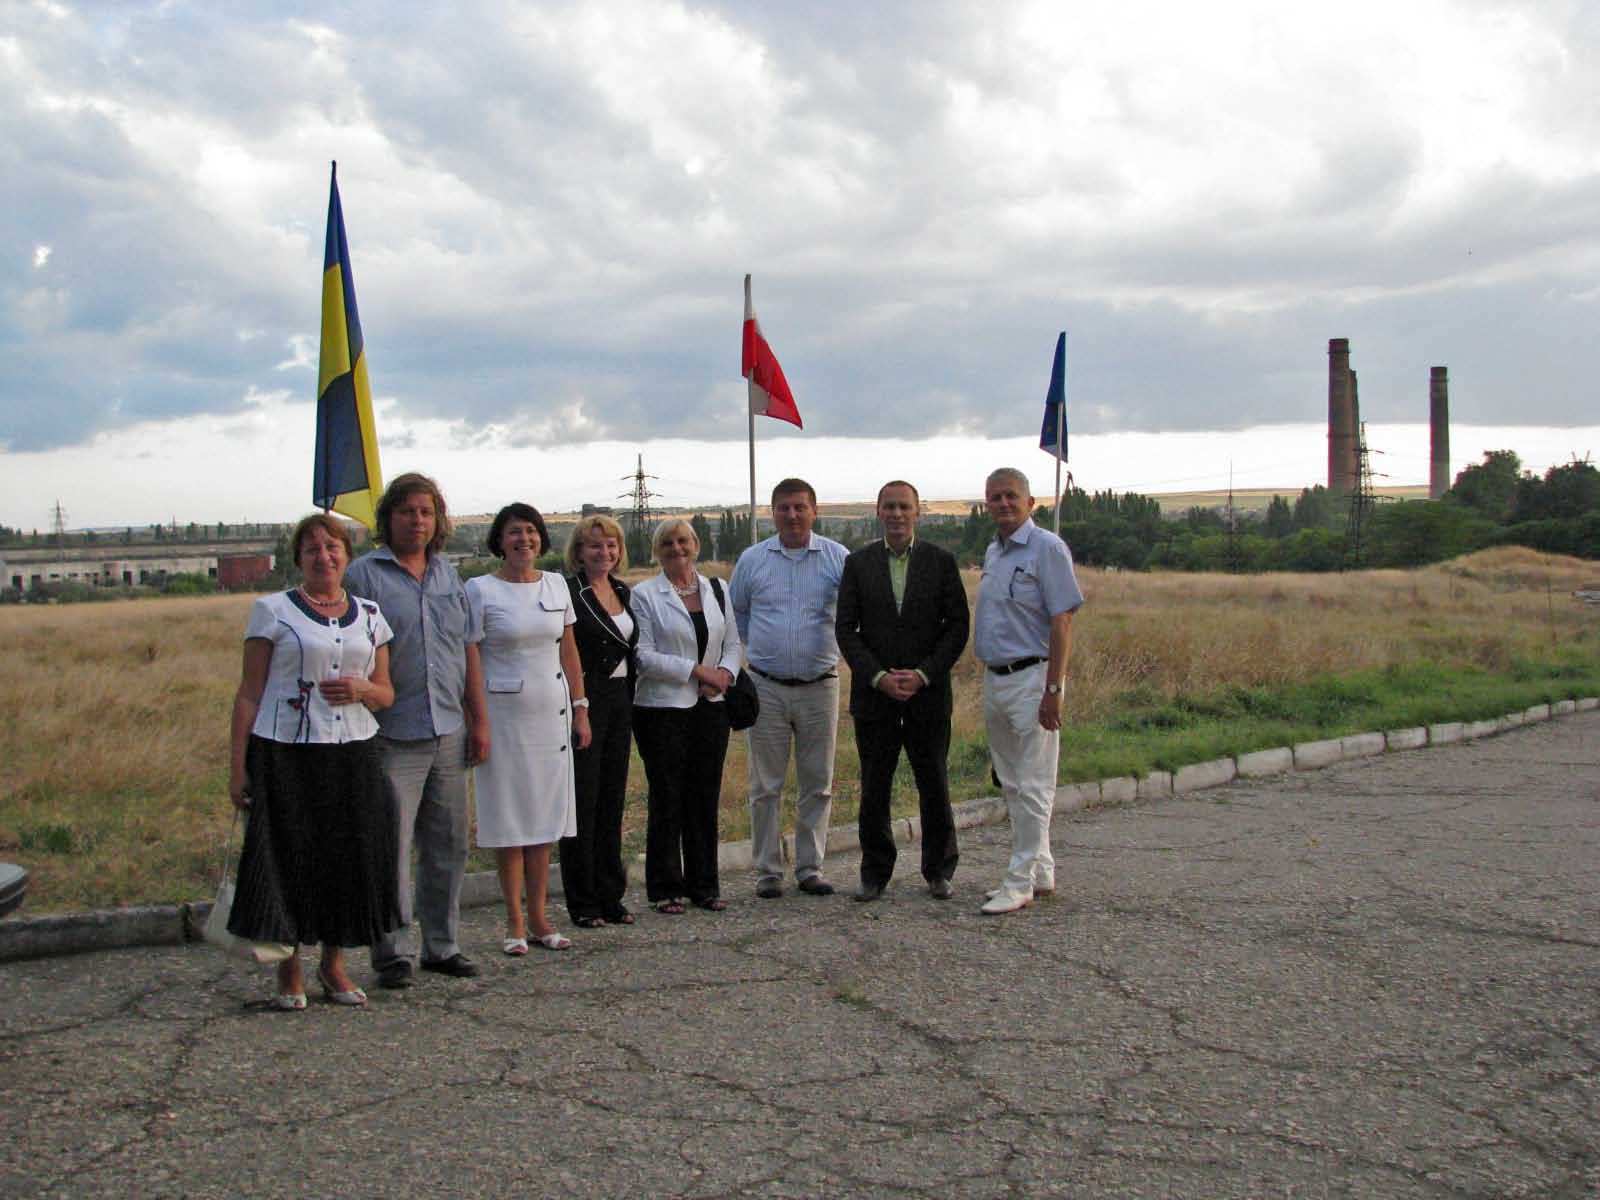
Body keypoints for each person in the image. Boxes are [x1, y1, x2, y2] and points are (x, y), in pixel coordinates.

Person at [226, 512, 400, 1009]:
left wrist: (364, 688)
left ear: (347, 554)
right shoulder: (272, 611)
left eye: (333, 547)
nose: (324, 557)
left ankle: (335, 964)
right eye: (312, 549)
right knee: (290, 857)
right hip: (287, 754)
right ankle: (289, 967)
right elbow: (248, 694)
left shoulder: (370, 616)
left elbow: (386, 693)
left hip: (354, 753)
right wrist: (238, 768)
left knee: (347, 857)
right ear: (297, 558)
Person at [345, 473, 489, 987]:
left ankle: (442, 946)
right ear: (388, 518)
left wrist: (480, 721)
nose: (418, 520)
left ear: (438, 520)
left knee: (447, 846)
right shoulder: (364, 576)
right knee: (391, 848)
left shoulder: (451, 577)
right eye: (407, 511)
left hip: (449, 729)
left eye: (426, 512)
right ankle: (392, 954)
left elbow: (469, 650)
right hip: (390, 734)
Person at [835, 480, 970, 902]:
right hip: (875, 697)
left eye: (903, 507)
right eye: (888, 507)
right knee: (874, 786)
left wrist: (923, 675)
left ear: (917, 512)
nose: (896, 514)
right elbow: (845, 629)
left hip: (927, 696)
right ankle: (874, 873)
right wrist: (878, 677)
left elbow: (958, 628)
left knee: (934, 784)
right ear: (877, 512)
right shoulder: (858, 564)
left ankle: (939, 870)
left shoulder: (941, 562)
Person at [467, 503, 591, 953]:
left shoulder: (557, 584)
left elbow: (570, 652)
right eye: (515, 533)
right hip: (503, 720)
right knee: (511, 820)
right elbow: (471, 656)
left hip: (551, 718)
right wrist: (477, 719)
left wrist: (581, 708)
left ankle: (540, 918)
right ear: (500, 540)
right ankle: (514, 922)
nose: (525, 540)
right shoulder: (479, 590)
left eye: (532, 532)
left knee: (543, 820)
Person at [728, 478, 848, 898]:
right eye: (783, 508)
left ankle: (810, 867)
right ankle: (767, 872)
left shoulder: (837, 559)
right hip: (767, 687)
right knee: (765, 786)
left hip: (820, 686)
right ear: (772, 512)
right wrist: (762, 650)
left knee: (818, 781)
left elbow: (851, 615)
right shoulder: (753, 560)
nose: (792, 515)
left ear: (815, 511)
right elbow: (737, 613)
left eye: (800, 507)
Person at [973, 468, 1085, 915]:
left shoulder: (1047, 548)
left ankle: (1018, 882)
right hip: (996, 678)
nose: (1002, 504)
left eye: (1011, 496)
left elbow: (1063, 621)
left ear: (1030, 502)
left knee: (1034, 783)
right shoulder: (994, 552)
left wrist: (1054, 688)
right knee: (1015, 781)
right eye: (994, 497)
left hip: (1033, 678)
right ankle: (1040, 869)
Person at [631, 518, 743, 913]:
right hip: (662, 710)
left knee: (704, 796)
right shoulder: (644, 594)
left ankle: (705, 886)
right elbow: (643, 655)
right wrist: (696, 671)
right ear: (657, 550)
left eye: (683, 541)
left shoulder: (717, 588)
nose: (676, 549)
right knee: (668, 797)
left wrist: (725, 676)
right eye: (667, 543)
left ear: (695, 545)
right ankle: (665, 888)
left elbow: (732, 640)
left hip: (711, 707)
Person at [560, 514, 638, 928]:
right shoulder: (569, 593)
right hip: (585, 703)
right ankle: (583, 900)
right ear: (579, 551)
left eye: (610, 545)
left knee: (611, 801)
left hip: (621, 702)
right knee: (583, 804)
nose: (603, 552)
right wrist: (580, 706)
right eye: (594, 545)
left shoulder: (622, 590)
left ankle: (611, 894)